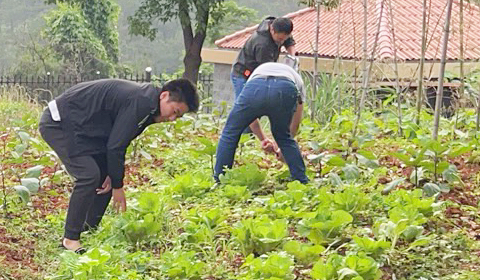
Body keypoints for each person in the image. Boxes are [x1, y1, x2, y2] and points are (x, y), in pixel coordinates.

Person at [38, 76, 198, 251]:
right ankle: (70, 239)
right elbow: (116, 146)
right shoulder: (142, 101)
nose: (173, 119)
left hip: (86, 130)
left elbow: (117, 141)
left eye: (179, 116)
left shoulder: (149, 108)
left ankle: (88, 229)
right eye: (174, 111)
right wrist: (118, 186)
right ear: (164, 96)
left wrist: (112, 176)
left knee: (106, 176)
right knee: (89, 175)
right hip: (59, 121)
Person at [214, 53, 309, 184]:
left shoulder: (260, 70)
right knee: (283, 136)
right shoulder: (296, 78)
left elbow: (250, 118)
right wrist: (283, 147)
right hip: (284, 88)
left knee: (230, 133)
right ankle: (302, 181)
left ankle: (219, 180)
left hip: (256, 85)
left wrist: (262, 139)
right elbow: (296, 121)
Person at [229, 16, 297, 155]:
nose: (281, 42)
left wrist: (292, 57)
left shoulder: (277, 24)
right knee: (246, 111)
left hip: (259, 72)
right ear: (272, 30)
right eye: (279, 40)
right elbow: (267, 71)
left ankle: (250, 140)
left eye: (284, 39)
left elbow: (289, 42)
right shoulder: (262, 44)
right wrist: (265, 139)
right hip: (244, 75)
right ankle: (243, 145)